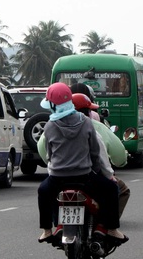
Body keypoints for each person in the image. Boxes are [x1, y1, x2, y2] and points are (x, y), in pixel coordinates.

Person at [36, 83, 127, 244]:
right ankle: (111, 229)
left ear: (52, 104)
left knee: (43, 192)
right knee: (112, 189)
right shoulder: (86, 122)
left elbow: (50, 154)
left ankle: (47, 230)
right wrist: (99, 173)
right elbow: (94, 152)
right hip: (84, 177)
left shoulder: (49, 126)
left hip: (58, 179)